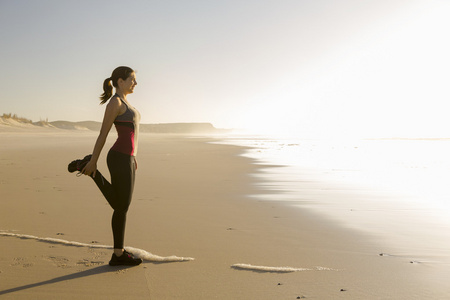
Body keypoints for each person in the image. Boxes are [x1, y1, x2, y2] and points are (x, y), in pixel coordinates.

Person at [68, 66, 142, 266]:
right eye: (132, 79)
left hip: (127, 158)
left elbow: (132, 134)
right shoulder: (115, 103)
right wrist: (94, 160)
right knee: (122, 207)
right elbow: (103, 134)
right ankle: (118, 254)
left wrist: (134, 156)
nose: (135, 83)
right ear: (120, 81)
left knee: (121, 205)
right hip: (118, 157)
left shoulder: (126, 102)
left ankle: (118, 254)